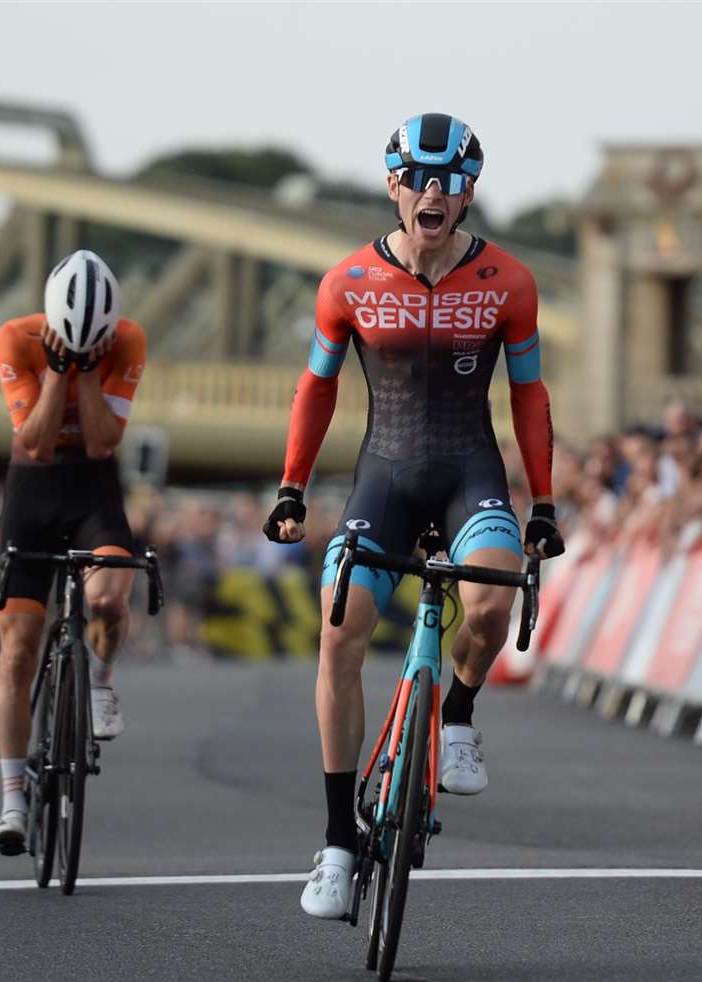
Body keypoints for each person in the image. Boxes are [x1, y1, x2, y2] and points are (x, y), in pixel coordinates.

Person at [261, 113, 564, 919]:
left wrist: (544, 503)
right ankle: (334, 842)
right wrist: (291, 486)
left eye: (450, 181)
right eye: (419, 179)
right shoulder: (347, 284)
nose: (434, 193)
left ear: (467, 194)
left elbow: (529, 397)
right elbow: (316, 389)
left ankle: (457, 713)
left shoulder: (510, 282)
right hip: (384, 480)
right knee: (339, 633)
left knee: (495, 600)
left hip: (471, 473)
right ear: (393, 186)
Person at [0, 250, 148, 856]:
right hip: (31, 490)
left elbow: (104, 444)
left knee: (108, 597)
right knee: (18, 651)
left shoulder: (127, 339)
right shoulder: (16, 337)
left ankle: (101, 681)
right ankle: (11, 800)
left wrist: (83, 370)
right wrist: (57, 369)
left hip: (92, 492)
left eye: (95, 344)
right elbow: (36, 441)